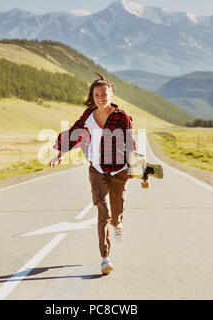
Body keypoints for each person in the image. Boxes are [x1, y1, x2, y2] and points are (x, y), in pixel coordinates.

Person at [49, 73, 136, 275]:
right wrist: (61, 154)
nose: (100, 98)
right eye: (97, 94)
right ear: (93, 96)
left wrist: (133, 167)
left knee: (115, 212)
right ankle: (105, 258)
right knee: (102, 211)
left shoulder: (122, 117)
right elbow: (73, 133)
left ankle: (118, 222)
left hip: (118, 169)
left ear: (112, 93)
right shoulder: (88, 116)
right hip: (96, 169)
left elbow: (131, 143)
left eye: (104, 94)